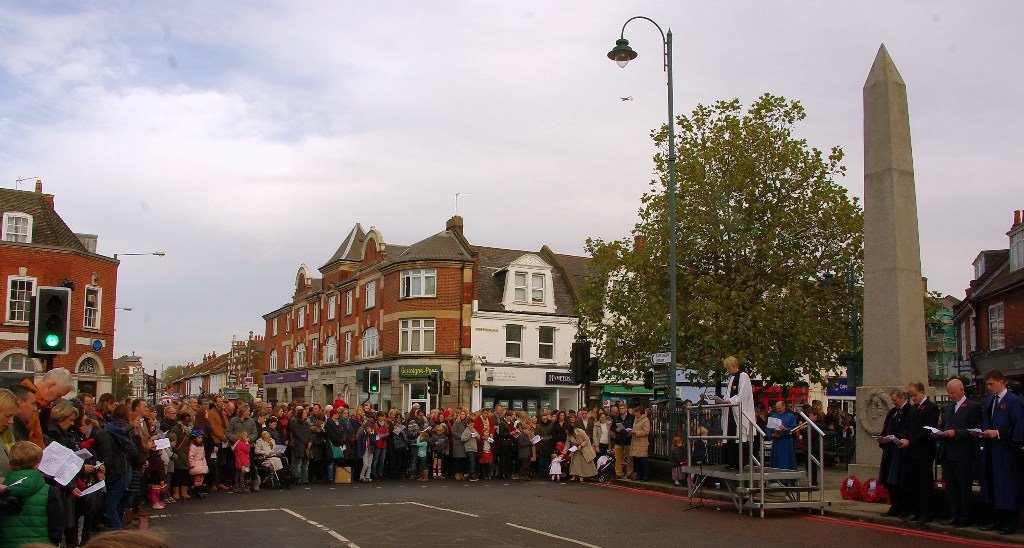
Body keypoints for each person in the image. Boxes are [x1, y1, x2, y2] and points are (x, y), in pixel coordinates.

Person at [978, 369, 1024, 535]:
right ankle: (995, 521)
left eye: (991, 384)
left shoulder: (1014, 401)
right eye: (987, 384)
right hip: (990, 450)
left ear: (1001, 382)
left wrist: (998, 433)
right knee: (992, 486)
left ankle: (1009, 523)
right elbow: (985, 421)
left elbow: (1019, 427)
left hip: (1006, 452)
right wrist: (982, 432)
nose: (989, 387)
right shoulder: (989, 401)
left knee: (1007, 488)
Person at [934, 378, 981, 527]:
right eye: (948, 393)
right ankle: (954, 515)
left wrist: (956, 433)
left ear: (961, 390)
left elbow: (975, 430)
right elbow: (943, 426)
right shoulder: (948, 408)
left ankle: (965, 517)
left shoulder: (973, 407)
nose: (950, 396)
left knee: (963, 487)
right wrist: (938, 433)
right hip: (947, 453)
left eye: (952, 392)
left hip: (962, 454)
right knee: (951, 487)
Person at [0, 441, 64, 546]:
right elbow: (57, 526)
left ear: (11, 463)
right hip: (42, 545)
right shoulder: (50, 491)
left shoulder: (2, 493)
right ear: (37, 465)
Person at [896, 381, 939, 523]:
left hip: (924, 450)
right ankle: (916, 510)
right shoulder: (913, 408)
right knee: (913, 482)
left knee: (924, 482)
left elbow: (927, 430)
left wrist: (911, 441)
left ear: (922, 392)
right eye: (910, 395)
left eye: (914, 395)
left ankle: (927, 512)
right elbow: (908, 426)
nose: (912, 398)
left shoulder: (931, 407)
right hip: (911, 450)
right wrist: (904, 438)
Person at [20, 367, 75, 449]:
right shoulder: (24, 403)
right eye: (59, 394)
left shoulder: (43, 406)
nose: (59, 399)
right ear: (51, 386)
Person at [719, 356, 754, 470]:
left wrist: (731, 400)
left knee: (738, 435)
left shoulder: (743, 376)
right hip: (730, 410)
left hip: (737, 410)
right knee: (729, 434)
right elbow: (728, 395)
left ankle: (738, 462)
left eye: (728, 368)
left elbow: (744, 394)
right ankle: (730, 462)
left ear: (734, 366)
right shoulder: (731, 379)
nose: (727, 371)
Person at [879, 389, 910, 518]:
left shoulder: (908, 410)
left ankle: (903, 507)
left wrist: (895, 437)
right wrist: (882, 438)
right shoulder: (892, 412)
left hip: (899, 450)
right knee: (888, 479)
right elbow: (886, 428)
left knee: (898, 480)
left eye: (895, 400)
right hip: (889, 450)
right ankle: (894, 505)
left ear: (902, 398)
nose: (893, 403)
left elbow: (907, 429)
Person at [767, 400, 798, 481]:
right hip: (777, 442)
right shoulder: (773, 416)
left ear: (784, 407)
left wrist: (785, 429)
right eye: (777, 408)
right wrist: (771, 434)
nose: (778, 410)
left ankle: (788, 480)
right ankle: (774, 480)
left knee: (786, 460)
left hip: (786, 442)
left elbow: (793, 428)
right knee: (776, 460)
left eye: (780, 408)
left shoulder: (790, 416)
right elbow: (768, 428)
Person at [630, 405, 651, 481]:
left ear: (641, 413)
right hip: (635, 442)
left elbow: (646, 432)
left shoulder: (645, 420)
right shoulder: (636, 419)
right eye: (635, 412)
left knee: (643, 461)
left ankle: (646, 476)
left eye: (637, 412)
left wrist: (636, 432)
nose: (635, 414)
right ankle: (639, 475)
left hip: (642, 443)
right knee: (636, 461)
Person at [188, 430, 209, 499]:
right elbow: (191, 456)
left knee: (201, 478)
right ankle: (198, 492)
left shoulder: (201, 446)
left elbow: (203, 456)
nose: (200, 439)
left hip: (202, 464)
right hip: (196, 464)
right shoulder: (193, 446)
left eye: (201, 438)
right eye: (198, 438)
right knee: (197, 479)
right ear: (195, 438)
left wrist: (205, 463)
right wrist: (192, 464)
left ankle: (200, 491)